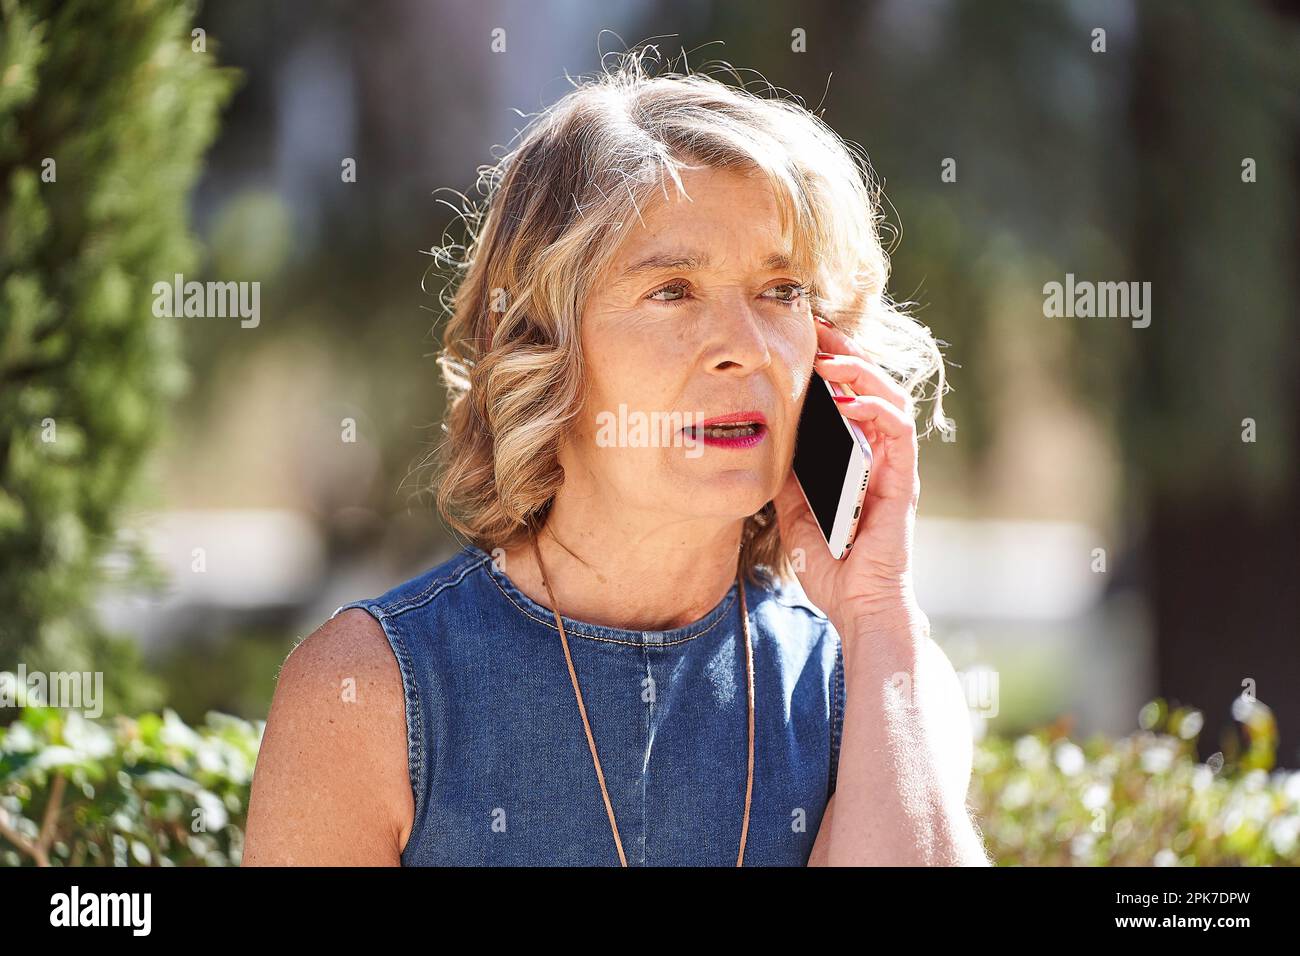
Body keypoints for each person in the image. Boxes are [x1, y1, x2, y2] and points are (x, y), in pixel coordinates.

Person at [244, 50, 989, 867]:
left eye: (782, 292)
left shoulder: (883, 683)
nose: (747, 349)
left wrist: (880, 609)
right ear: (545, 344)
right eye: (672, 291)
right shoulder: (365, 694)